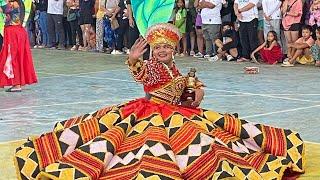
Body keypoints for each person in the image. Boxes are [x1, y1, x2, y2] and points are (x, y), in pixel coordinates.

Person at [14, 23, 305, 179]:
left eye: (166, 47)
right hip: (149, 112)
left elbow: (193, 99)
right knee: (130, 144)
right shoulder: (153, 66)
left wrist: (194, 91)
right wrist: (133, 61)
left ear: (173, 49)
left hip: (178, 112)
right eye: (158, 47)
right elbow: (141, 74)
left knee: (213, 140)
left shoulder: (179, 70)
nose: (162, 51)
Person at [0, 0, 37, 92]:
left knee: (13, 57)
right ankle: (17, 83)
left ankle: (17, 84)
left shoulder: (13, 3)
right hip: (18, 31)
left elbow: (4, 9)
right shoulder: (19, 2)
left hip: (13, 32)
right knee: (16, 57)